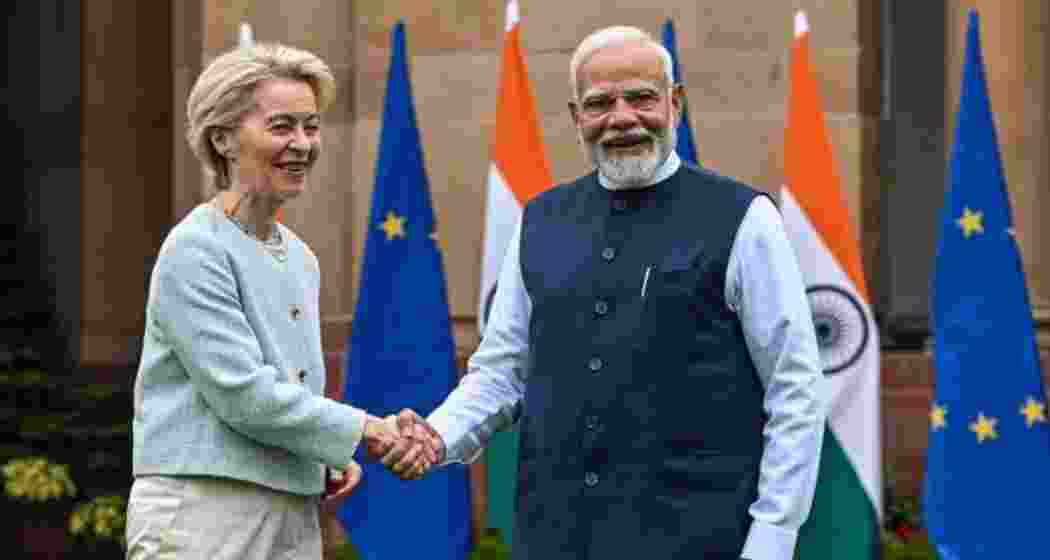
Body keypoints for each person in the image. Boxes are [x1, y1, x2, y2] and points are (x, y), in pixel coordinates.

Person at [391, 25, 827, 560]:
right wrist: (436, 437)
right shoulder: (540, 220)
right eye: (600, 103)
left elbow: (796, 389)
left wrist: (773, 537)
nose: (622, 118)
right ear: (577, 118)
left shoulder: (744, 218)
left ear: (676, 104)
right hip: (555, 539)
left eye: (641, 97)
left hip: (702, 540)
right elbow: (501, 372)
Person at [126, 42, 433, 559]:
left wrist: (324, 455)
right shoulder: (195, 248)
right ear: (222, 138)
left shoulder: (301, 257)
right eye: (281, 126)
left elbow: (291, 391)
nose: (303, 144)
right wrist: (367, 431)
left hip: (291, 515)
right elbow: (244, 394)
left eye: (311, 127)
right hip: (204, 517)